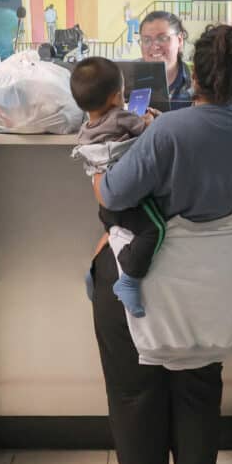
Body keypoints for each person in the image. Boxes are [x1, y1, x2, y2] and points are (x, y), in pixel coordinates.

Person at [90, 17, 232, 464]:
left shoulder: (169, 129)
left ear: (194, 73)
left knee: (135, 392)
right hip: (220, 278)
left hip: (148, 278)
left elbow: (111, 193)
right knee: (199, 390)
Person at [70, 57, 162, 317]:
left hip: (106, 208)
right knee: (154, 229)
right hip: (127, 197)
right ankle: (130, 279)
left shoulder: (85, 129)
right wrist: (151, 118)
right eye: (122, 93)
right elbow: (149, 133)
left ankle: (94, 274)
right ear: (115, 97)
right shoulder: (121, 118)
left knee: (113, 232)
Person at [138, 11, 192, 108]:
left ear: (179, 40)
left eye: (163, 38)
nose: (154, 46)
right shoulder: (126, 79)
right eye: (146, 40)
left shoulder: (197, 82)